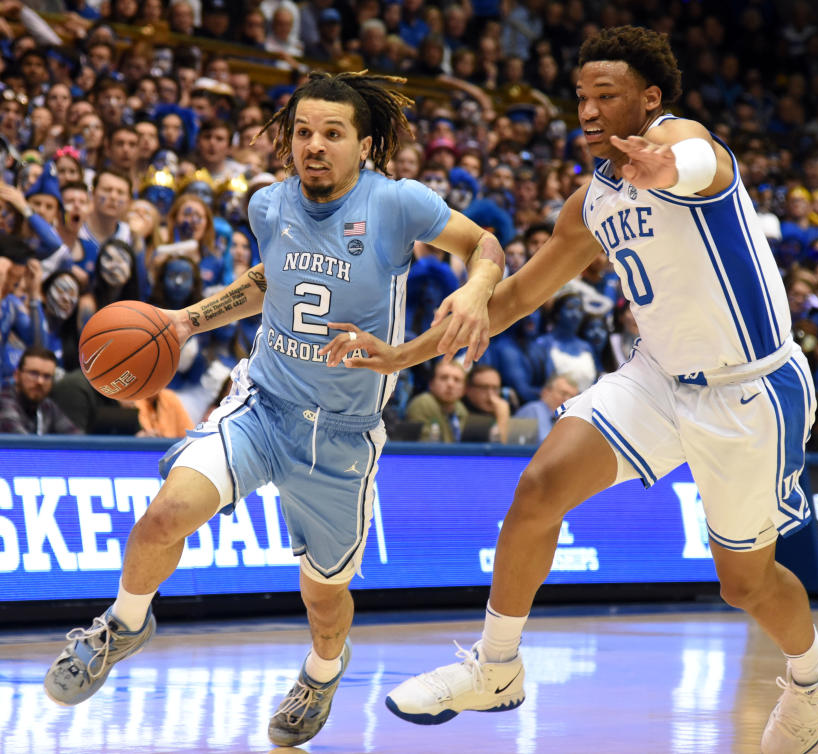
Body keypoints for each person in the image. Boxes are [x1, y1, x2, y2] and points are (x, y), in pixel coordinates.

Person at [322, 26, 818, 754]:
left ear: (650, 99)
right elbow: (508, 303)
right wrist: (399, 357)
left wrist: (668, 164)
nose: (590, 109)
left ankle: (811, 670)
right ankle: (497, 666)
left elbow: (697, 159)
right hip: (657, 375)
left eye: (608, 95)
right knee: (539, 487)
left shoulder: (690, 146)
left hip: (750, 390)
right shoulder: (590, 204)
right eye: (582, 96)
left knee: (746, 584)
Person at [43, 71, 505, 749]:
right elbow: (273, 278)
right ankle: (124, 621)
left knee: (324, 601)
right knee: (164, 516)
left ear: (365, 145)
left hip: (342, 437)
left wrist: (476, 292)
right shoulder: (269, 204)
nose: (314, 146)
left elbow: (484, 246)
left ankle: (321, 672)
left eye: (332, 134)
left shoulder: (399, 203)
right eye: (304, 132)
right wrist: (187, 321)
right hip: (263, 403)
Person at [0, 346, 80, 434]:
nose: (40, 382)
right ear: (16, 375)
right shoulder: (4, 400)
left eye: (47, 376)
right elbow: (21, 444)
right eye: (34, 373)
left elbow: (76, 440)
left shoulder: (47, 405)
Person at [405, 360, 468, 442]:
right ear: (431, 384)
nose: (450, 384)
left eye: (457, 380)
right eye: (444, 378)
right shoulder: (423, 403)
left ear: (464, 389)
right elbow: (427, 447)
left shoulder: (461, 410)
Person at [514, 372, 578, 443]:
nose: (567, 400)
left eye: (572, 397)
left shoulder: (571, 421)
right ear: (546, 392)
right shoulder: (532, 411)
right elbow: (516, 448)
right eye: (563, 394)